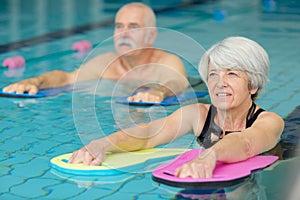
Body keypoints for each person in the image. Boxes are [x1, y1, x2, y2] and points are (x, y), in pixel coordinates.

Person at [68, 36, 284, 178]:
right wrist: (102, 144)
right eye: (213, 74)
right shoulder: (198, 115)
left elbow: (245, 143)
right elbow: (148, 134)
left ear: (253, 84)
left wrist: (209, 156)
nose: (220, 83)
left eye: (232, 74)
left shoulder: (269, 122)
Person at [3, 2, 188, 103]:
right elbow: (67, 78)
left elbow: (177, 82)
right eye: (119, 27)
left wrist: (159, 90)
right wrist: (34, 81)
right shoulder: (105, 63)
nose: (124, 34)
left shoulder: (166, 62)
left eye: (133, 27)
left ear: (151, 35)